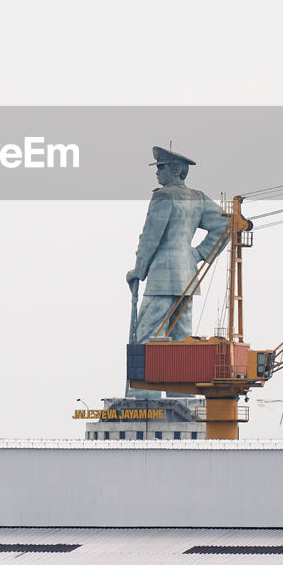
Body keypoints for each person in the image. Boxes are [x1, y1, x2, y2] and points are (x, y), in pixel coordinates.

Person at [125, 147, 229, 398]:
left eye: (162, 167)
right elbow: (226, 224)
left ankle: (143, 396)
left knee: (149, 337)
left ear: (177, 170)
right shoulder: (198, 197)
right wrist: (199, 254)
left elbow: (150, 237)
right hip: (187, 277)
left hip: (162, 276)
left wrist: (138, 271)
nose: (158, 172)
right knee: (182, 342)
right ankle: (181, 396)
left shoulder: (163, 197)